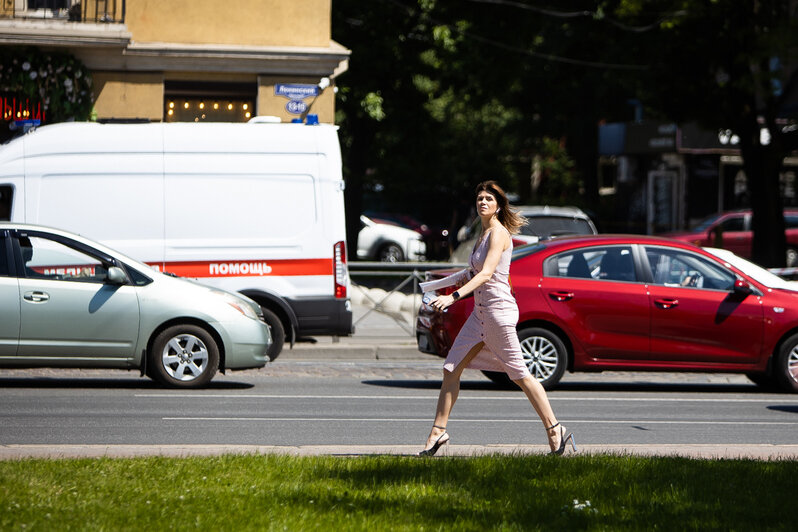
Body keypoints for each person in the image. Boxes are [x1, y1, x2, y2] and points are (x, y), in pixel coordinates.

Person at [418, 180, 576, 456]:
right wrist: (434, 287)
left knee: (521, 375)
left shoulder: (499, 234)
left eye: (489, 199)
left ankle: (556, 429)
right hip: (481, 315)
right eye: (479, 198)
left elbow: (486, 273)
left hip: (498, 313)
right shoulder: (483, 233)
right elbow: (470, 273)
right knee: (451, 369)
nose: (482, 202)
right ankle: (438, 433)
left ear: (499, 206)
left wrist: (453, 297)